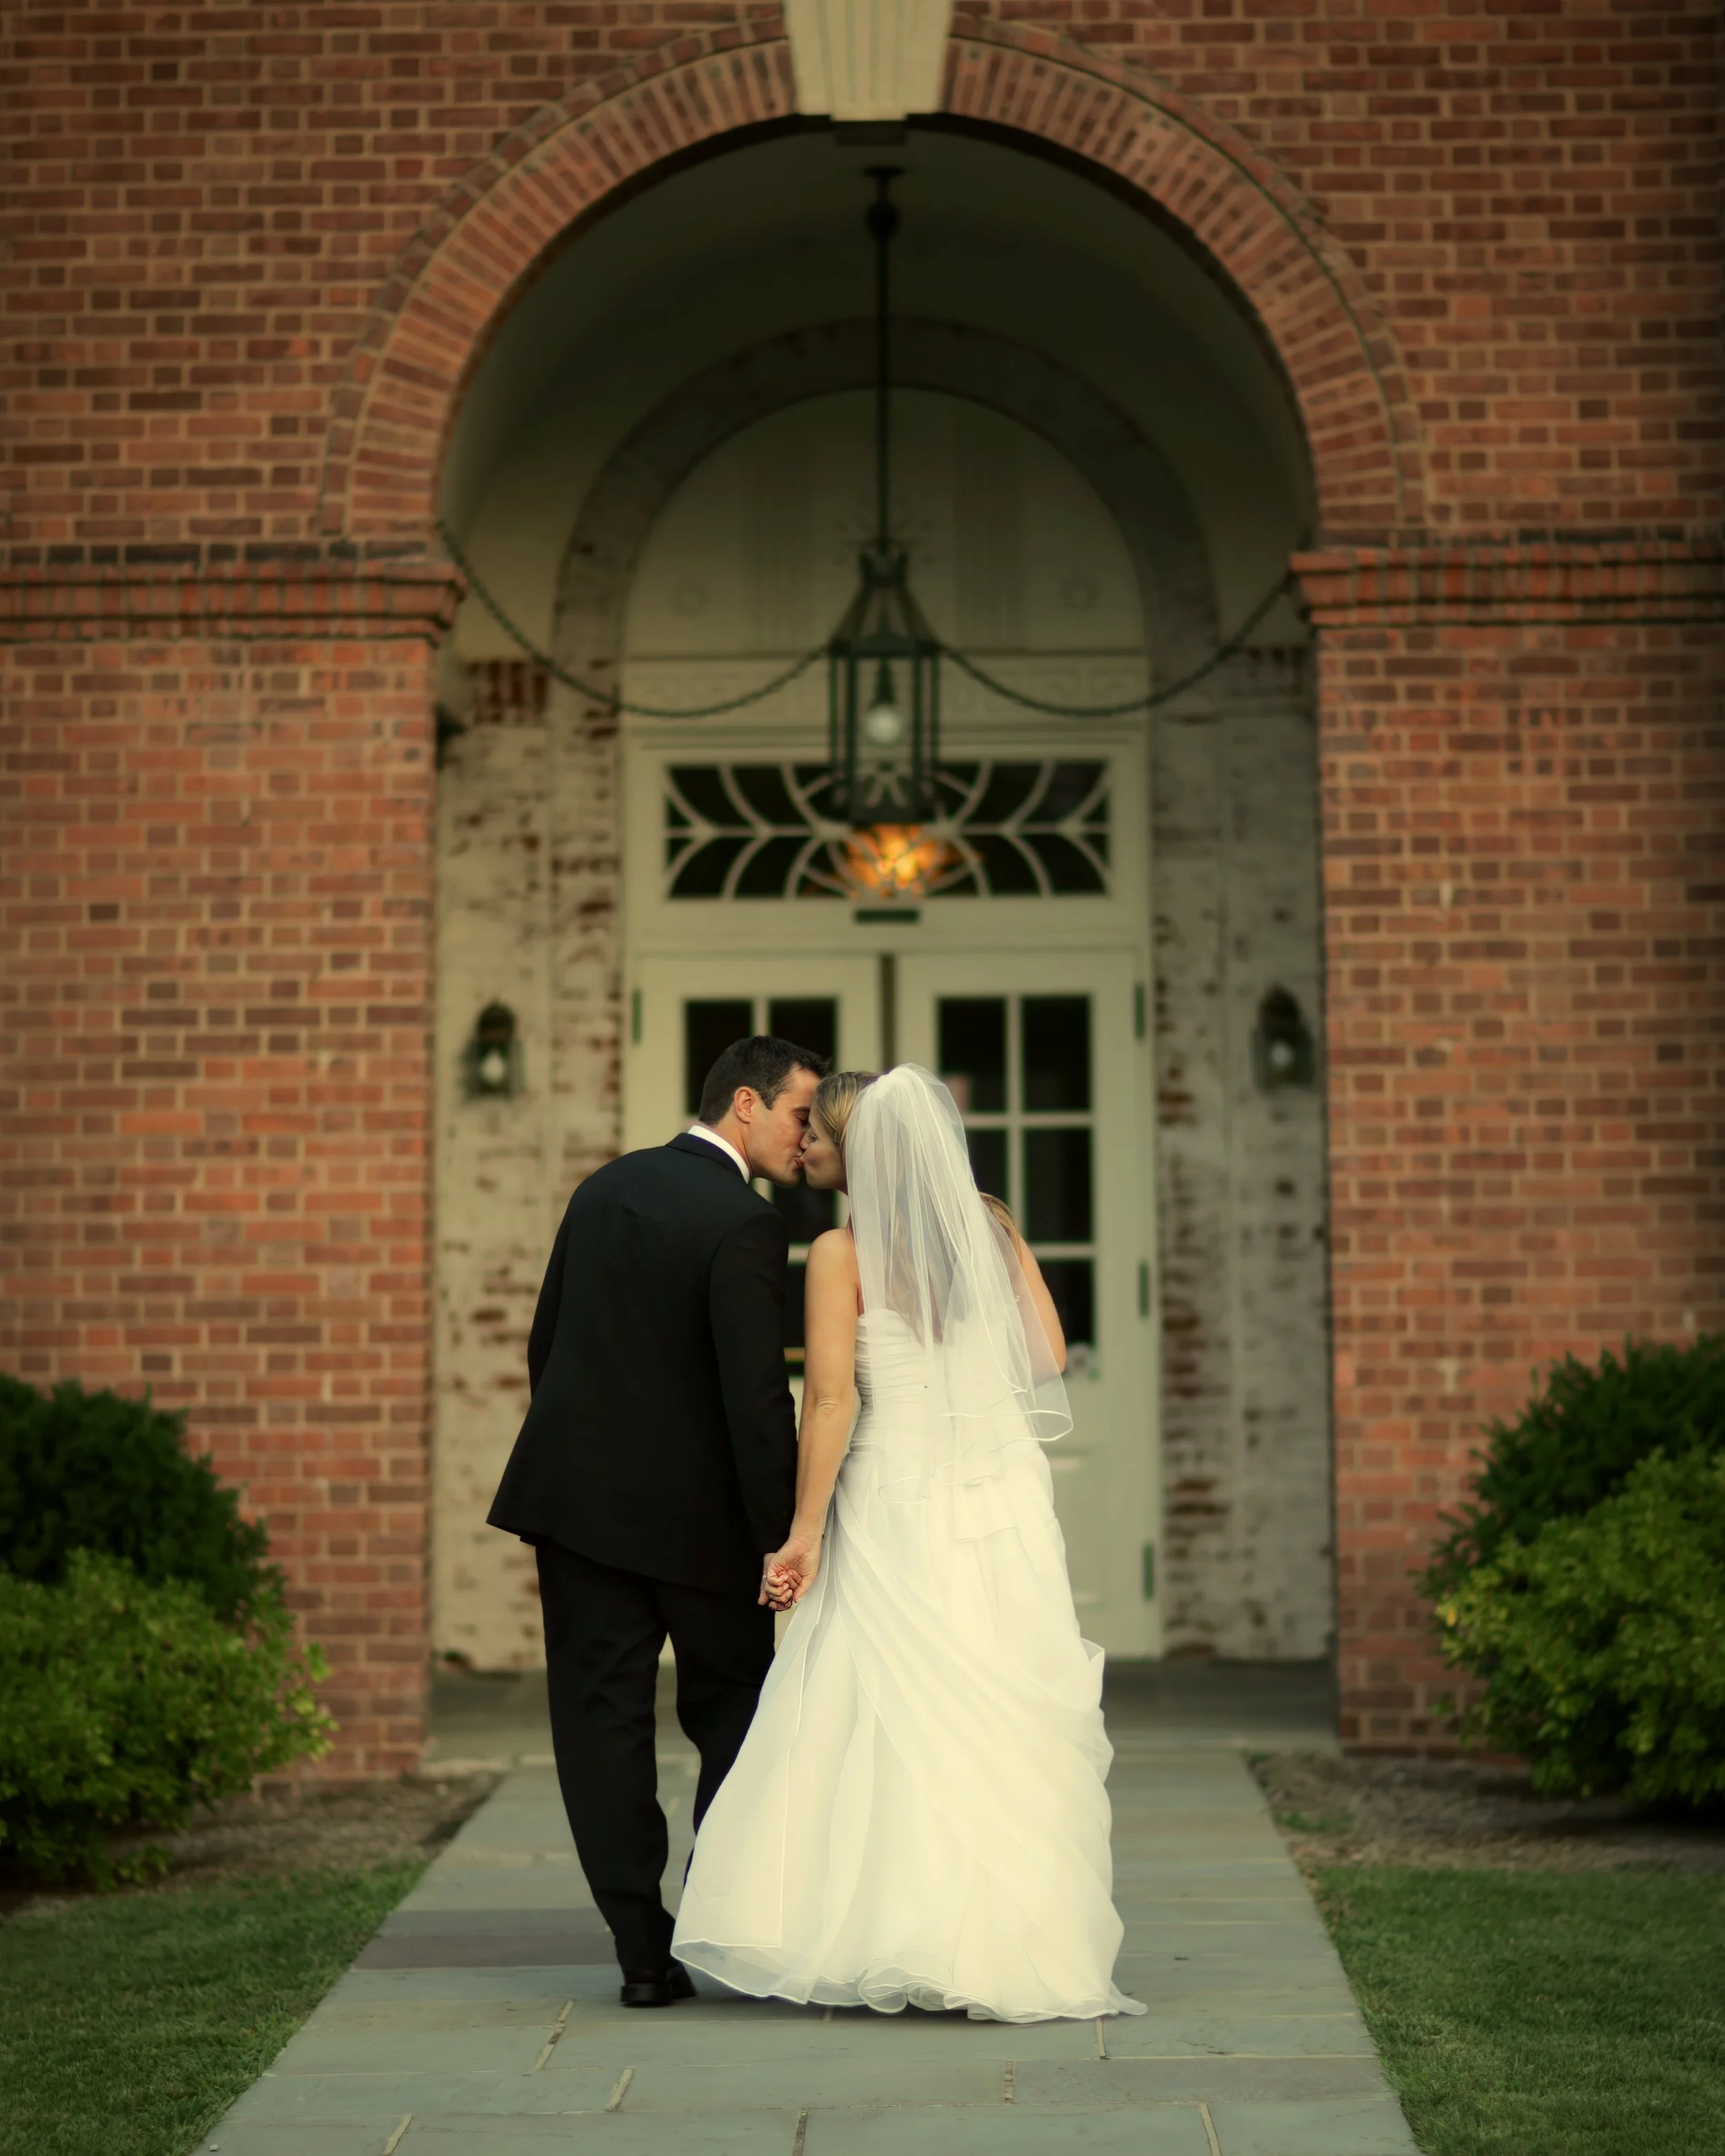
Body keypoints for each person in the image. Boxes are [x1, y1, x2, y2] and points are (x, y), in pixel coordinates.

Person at [673, 1064, 1145, 2023]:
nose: (804, 1145)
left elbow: (834, 1401)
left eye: (820, 1134)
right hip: (999, 1497)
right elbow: (1048, 1356)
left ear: (861, 1151)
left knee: (883, 1712)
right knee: (994, 1711)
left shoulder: (842, 1253)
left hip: (894, 1497)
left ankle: (892, 1935)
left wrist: (802, 1535)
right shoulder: (991, 1228)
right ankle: (1010, 1944)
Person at [488, 1034, 826, 2007]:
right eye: (802, 1114)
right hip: (700, 1525)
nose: (807, 1139)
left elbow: (546, 1342)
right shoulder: (746, 1225)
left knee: (598, 1721)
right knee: (736, 1710)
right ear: (748, 1105)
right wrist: (781, 1534)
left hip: (577, 1507)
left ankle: (642, 1952)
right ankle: (714, 1914)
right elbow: (758, 1404)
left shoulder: (605, 1187)